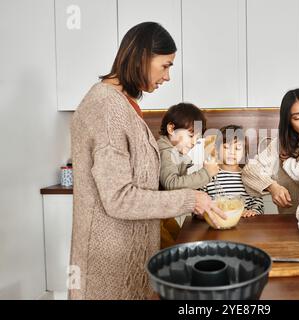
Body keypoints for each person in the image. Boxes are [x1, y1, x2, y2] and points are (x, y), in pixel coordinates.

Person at [70, 22, 225, 300]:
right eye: (165, 65)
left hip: (129, 262)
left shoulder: (124, 104)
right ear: (142, 56)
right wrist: (190, 199)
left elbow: (142, 183)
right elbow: (118, 198)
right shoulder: (107, 108)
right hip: (108, 270)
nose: (167, 77)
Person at [201, 125, 264, 217]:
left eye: (237, 148)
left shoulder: (250, 177)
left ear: (243, 153)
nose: (232, 152)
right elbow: (198, 208)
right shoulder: (207, 175)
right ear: (217, 150)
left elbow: (258, 205)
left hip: (245, 225)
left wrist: (252, 212)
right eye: (226, 147)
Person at [157, 102, 219, 191]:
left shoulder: (176, 152)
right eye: (190, 135)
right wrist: (206, 173)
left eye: (197, 138)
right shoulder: (166, 152)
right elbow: (171, 183)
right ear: (171, 129)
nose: (194, 142)